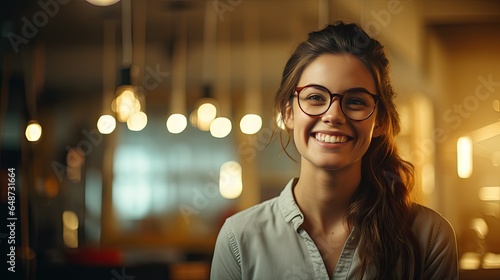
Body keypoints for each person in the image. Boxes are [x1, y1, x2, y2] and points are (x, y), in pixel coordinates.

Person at [210, 22, 458, 279]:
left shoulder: (429, 236)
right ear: (287, 113)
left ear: (380, 121)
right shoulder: (238, 238)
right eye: (315, 97)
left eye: (355, 101)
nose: (333, 115)